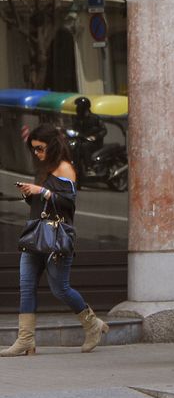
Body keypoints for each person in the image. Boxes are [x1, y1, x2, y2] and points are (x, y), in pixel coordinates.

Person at [1, 123, 108, 356]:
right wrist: (31, 194)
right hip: (35, 234)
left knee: (60, 288)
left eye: (40, 148)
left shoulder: (64, 168)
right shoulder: (44, 167)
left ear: (52, 145)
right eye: (34, 149)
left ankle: (93, 325)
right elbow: (41, 204)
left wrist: (43, 191)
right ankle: (25, 340)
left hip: (57, 238)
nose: (37, 153)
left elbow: (68, 204)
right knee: (26, 287)